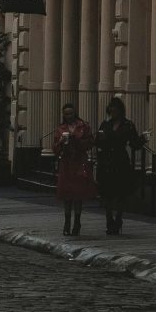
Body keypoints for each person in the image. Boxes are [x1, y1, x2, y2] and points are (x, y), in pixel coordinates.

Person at [94, 95, 144, 236]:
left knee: (121, 192)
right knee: (107, 193)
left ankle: (118, 218)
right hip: (107, 160)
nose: (112, 113)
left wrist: (142, 140)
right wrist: (99, 139)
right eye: (111, 111)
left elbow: (134, 144)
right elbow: (98, 142)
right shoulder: (105, 124)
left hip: (120, 160)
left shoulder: (128, 125)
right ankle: (109, 219)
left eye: (115, 110)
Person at [54, 101, 95, 237]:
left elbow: (89, 143)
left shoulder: (83, 126)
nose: (68, 116)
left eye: (70, 113)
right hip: (66, 163)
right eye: (66, 114)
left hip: (78, 162)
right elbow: (55, 149)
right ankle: (67, 222)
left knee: (78, 194)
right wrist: (60, 143)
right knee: (67, 194)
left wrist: (76, 140)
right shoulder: (61, 128)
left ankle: (77, 222)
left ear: (75, 113)